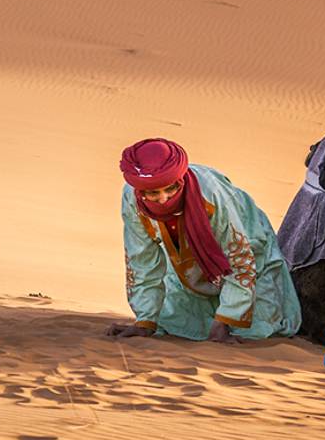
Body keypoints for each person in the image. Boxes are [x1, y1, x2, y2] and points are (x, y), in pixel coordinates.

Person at [109, 139, 300, 343]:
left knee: (256, 329)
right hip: (188, 265)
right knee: (173, 322)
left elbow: (239, 256)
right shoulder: (132, 199)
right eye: (153, 193)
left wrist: (226, 320)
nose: (163, 199)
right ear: (140, 191)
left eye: (170, 189)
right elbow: (141, 259)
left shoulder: (211, 194)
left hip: (249, 249)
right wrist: (144, 322)